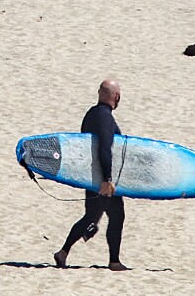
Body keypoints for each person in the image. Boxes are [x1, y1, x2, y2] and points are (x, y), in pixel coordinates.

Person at [53, 79, 127, 272]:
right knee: (117, 215)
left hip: (91, 176)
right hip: (102, 178)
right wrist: (107, 180)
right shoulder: (105, 118)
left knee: (91, 217)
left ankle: (63, 252)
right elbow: (104, 148)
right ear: (116, 97)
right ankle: (114, 261)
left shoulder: (91, 115)